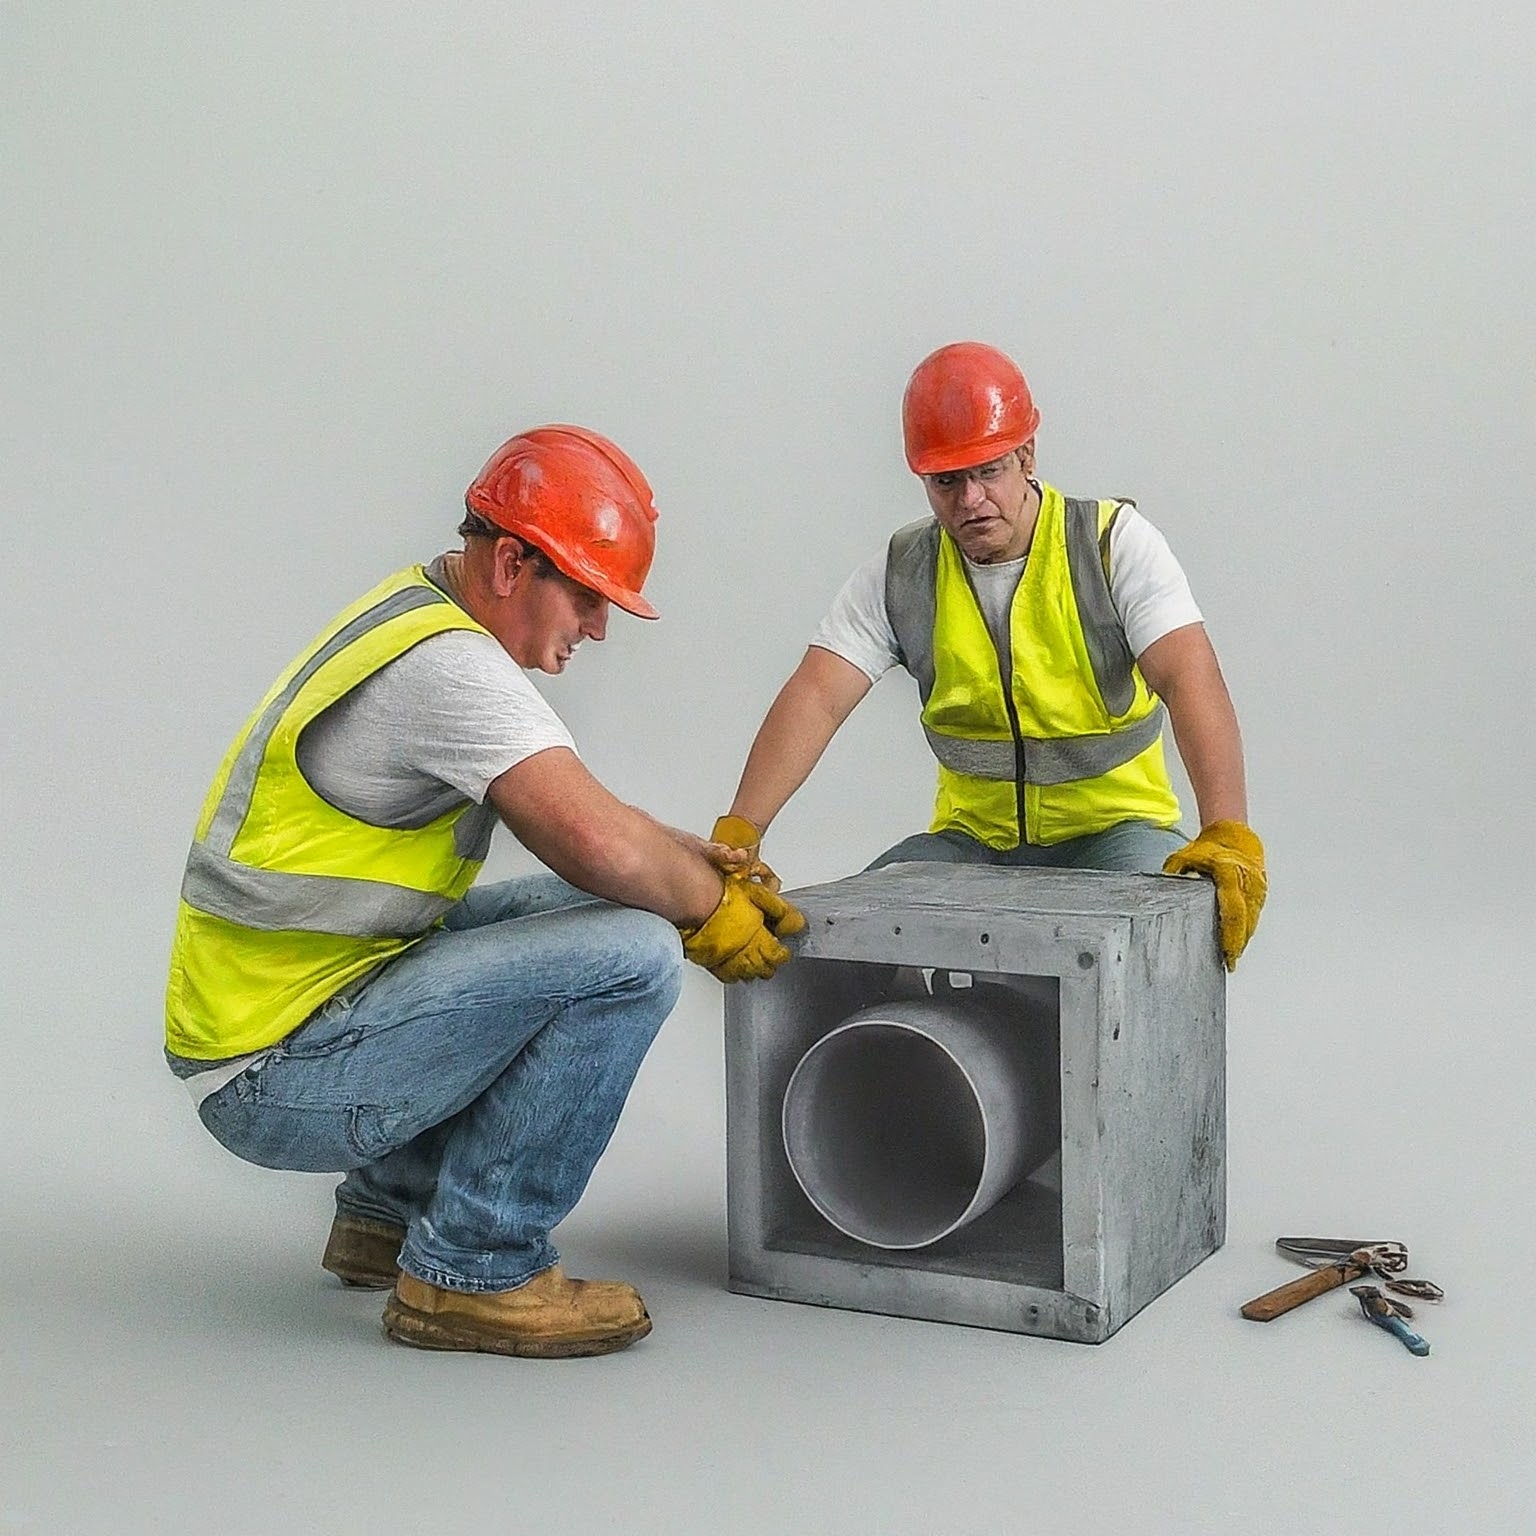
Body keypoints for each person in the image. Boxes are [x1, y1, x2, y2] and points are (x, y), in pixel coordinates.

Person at [164, 424, 804, 1360]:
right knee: (630, 953)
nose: (596, 627)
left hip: (292, 1014)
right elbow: (590, 838)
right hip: (272, 1075)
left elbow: (596, 823)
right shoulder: (450, 670)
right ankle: (475, 1266)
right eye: (589, 596)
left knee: (593, 915)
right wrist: (705, 909)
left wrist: (693, 864)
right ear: (511, 563)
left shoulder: (415, 613)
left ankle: (391, 1212)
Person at [710, 342, 1266, 969]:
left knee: (1161, 943)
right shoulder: (903, 575)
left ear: (1027, 455)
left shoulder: (1111, 546)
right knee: (837, 948)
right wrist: (742, 833)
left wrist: (1227, 832)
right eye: (947, 481)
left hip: (1115, 835)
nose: (970, 500)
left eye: (989, 472)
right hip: (974, 844)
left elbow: (1191, 676)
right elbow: (817, 695)